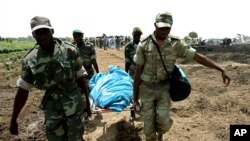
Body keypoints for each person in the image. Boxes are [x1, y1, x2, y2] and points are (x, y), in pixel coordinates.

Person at [132, 11, 231, 141]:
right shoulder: (144, 44)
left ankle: (161, 134)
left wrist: (221, 69)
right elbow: (138, 71)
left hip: (164, 88)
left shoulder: (176, 43)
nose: (165, 30)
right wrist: (135, 98)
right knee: (148, 129)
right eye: (162, 27)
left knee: (164, 122)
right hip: (146, 89)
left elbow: (198, 57)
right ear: (155, 25)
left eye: (168, 27)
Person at [9, 16, 91, 141]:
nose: (42, 36)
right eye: (38, 33)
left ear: (52, 31)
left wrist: (87, 103)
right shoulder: (30, 60)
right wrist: (14, 119)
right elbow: (23, 90)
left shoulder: (70, 51)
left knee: (76, 138)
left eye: (45, 31)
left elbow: (80, 78)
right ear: (33, 35)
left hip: (74, 105)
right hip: (52, 110)